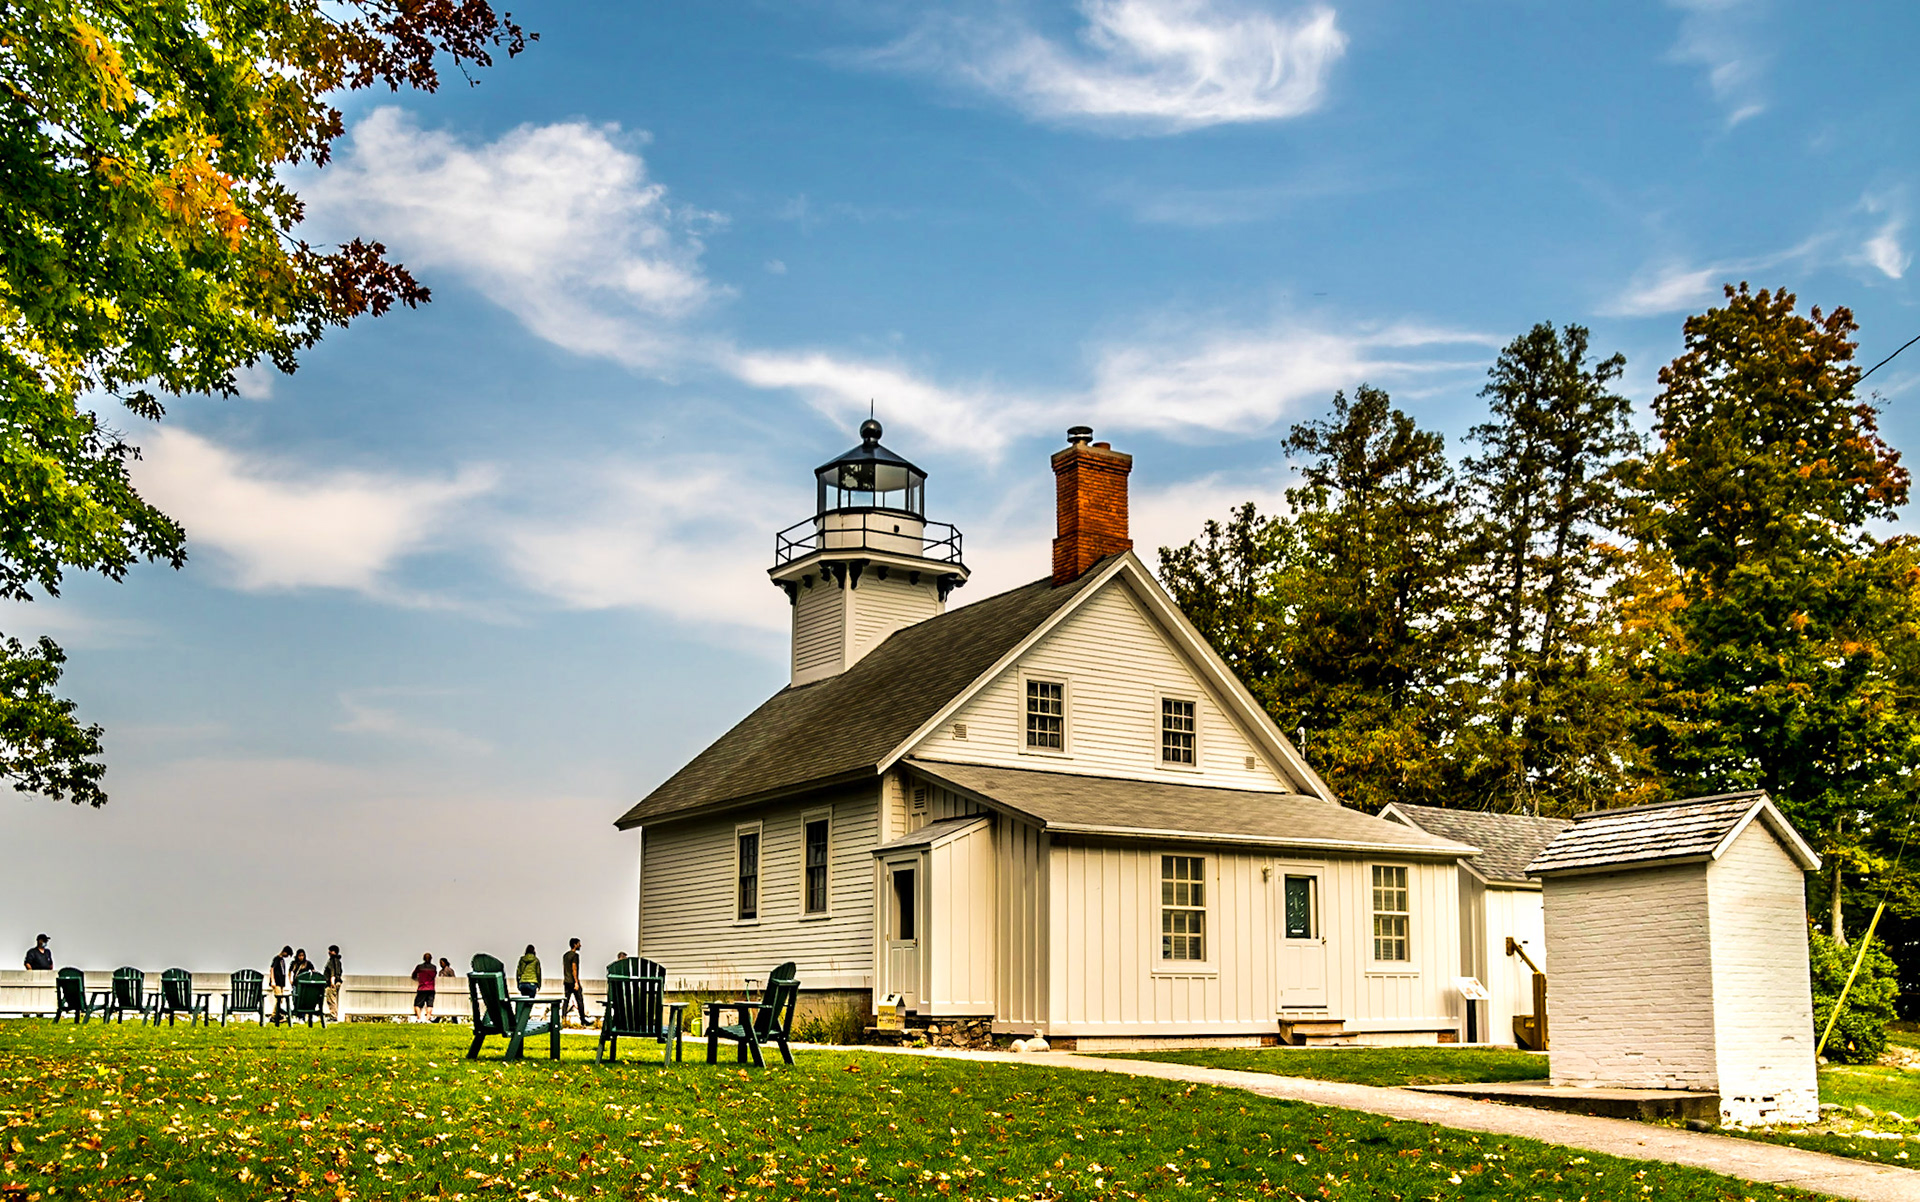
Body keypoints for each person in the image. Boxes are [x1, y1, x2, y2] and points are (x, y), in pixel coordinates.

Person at [562, 938, 589, 1025]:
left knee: (566, 1001)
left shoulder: (565, 955)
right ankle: (583, 1020)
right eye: (578, 944)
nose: (580, 945)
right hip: (573, 982)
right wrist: (576, 982)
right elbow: (574, 968)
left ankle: (563, 1019)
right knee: (580, 1000)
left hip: (566, 981)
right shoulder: (575, 955)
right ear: (575, 944)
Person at [410, 953, 437, 1022]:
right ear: (431, 959)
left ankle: (419, 1018)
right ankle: (427, 1019)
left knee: (417, 1004)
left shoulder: (419, 967)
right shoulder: (434, 967)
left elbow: (413, 975)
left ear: (423, 959)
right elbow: (435, 975)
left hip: (422, 988)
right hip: (431, 988)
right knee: (429, 1005)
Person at [270, 946, 292, 1024]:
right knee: (279, 999)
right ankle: (274, 1016)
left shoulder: (282, 960)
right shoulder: (277, 959)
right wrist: (273, 980)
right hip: (277, 982)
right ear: (284, 952)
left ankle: (276, 1014)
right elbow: (272, 969)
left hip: (281, 982)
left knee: (280, 1000)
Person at [323, 945, 345, 1022]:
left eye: (330, 951)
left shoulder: (332, 961)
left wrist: (332, 981)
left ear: (333, 952)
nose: (328, 952)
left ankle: (333, 1016)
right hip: (338, 982)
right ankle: (334, 1016)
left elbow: (332, 972)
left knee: (331, 1000)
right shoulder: (338, 961)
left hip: (332, 983)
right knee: (334, 999)